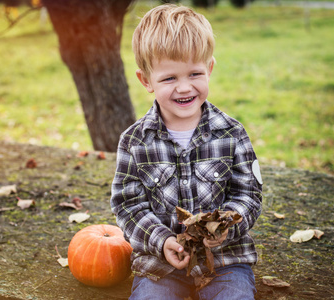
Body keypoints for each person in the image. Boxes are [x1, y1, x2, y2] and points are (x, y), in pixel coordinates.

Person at [110, 4, 263, 300]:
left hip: (225, 261)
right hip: (161, 264)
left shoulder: (232, 134)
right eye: (169, 78)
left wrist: (226, 226)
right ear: (146, 81)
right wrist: (162, 240)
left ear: (210, 69)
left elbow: (249, 194)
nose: (184, 88)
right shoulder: (134, 142)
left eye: (194, 73)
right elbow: (128, 205)